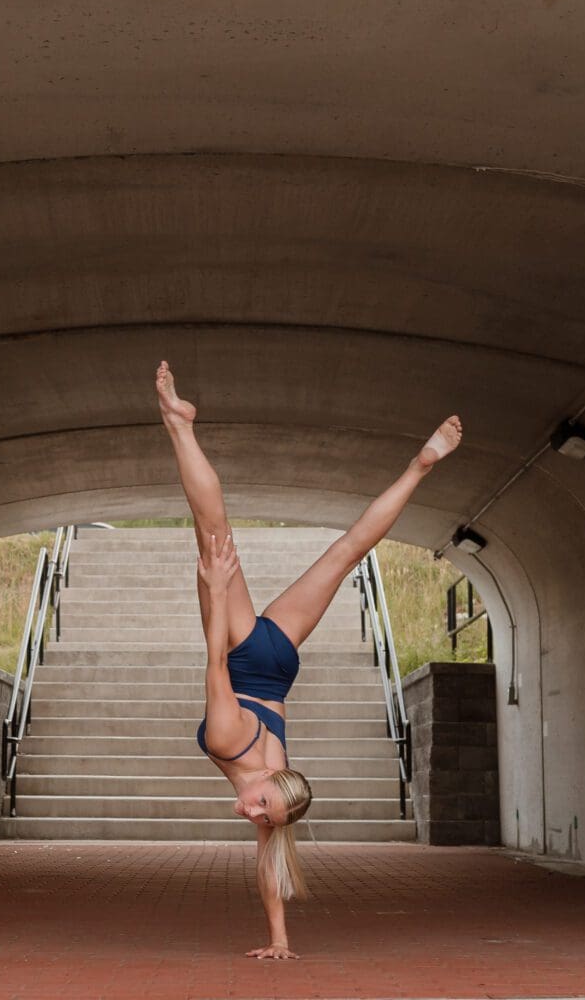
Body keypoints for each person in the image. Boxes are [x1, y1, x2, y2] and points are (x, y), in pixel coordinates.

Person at [155, 360, 462, 959]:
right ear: (275, 782)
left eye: (261, 814)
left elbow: (273, 857)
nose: (252, 813)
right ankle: (179, 424)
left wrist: (279, 940)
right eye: (261, 806)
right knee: (213, 533)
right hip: (244, 653)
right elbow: (216, 662)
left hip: (278, 668)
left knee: (347, 551)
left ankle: (419, 464)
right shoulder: (229, 744)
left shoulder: (278, 791)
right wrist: (217, 591)